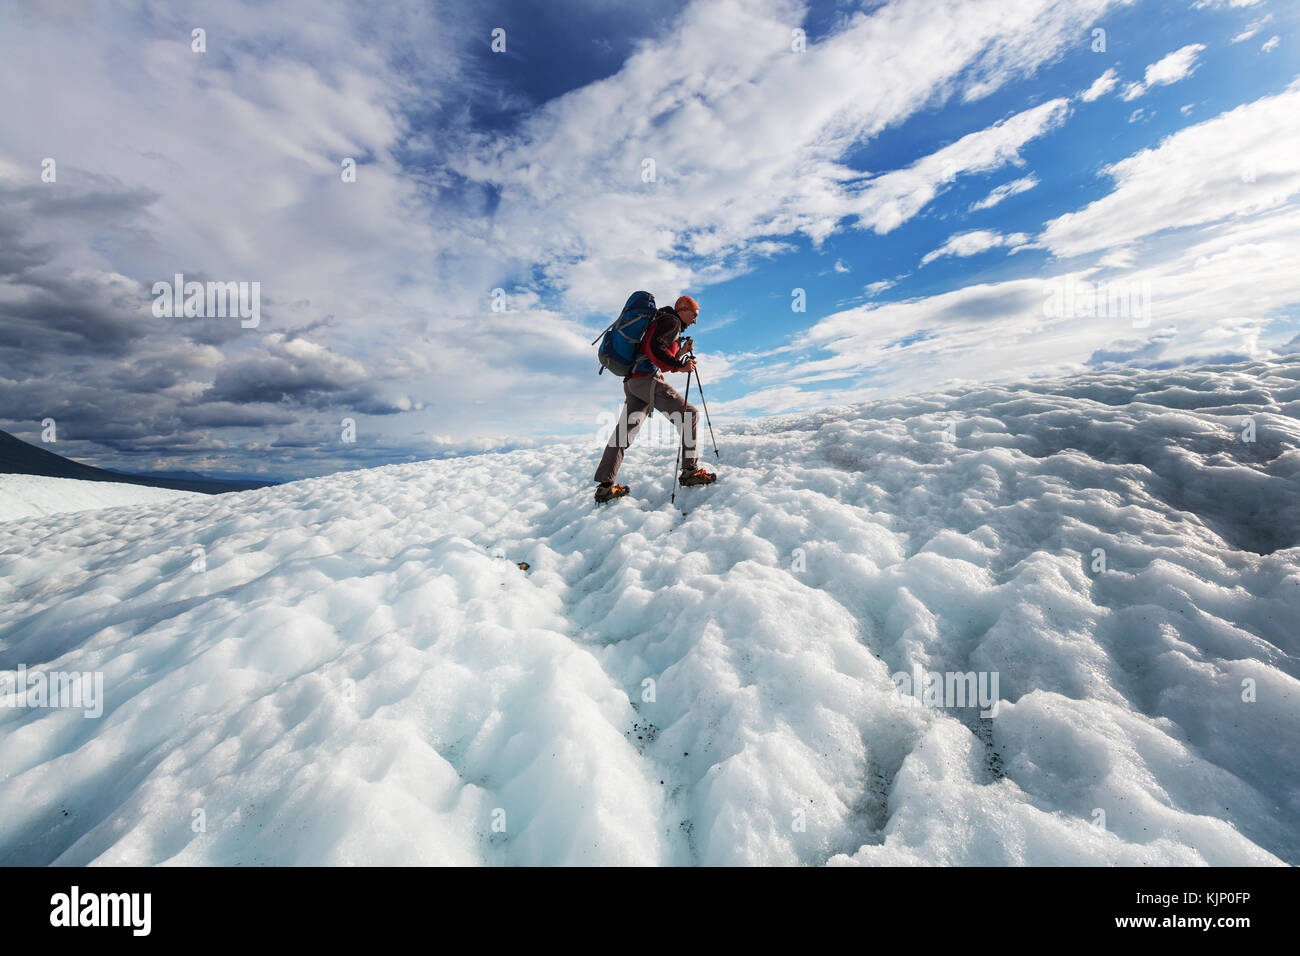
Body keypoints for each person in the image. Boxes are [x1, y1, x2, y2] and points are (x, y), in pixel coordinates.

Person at [594, 295, 717, 502]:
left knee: (623, 433)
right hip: (646, 381)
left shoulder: (662, 321)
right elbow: (654, 350)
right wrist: (680, 366)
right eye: (694, 315)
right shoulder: (671, 321)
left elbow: (653, 352)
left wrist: (680, 353)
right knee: (690, 416)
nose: (695, 320)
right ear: (682, 309)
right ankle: (690, 472)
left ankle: (605, 487)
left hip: (633, 382)